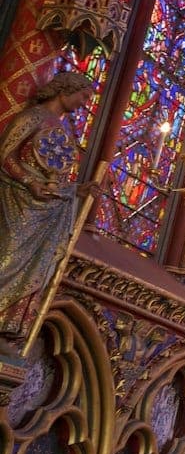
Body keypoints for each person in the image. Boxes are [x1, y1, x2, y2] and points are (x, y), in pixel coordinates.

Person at [0, 72, 97, 346]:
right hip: (18, 200)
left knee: (36, 266)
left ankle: (9, 326)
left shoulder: (63, 129)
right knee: (7, 255)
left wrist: (78, 190)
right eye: (82, 96)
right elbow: (4, 153)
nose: (83, 103)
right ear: (64, 90)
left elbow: (54, 176)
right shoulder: (34, 117)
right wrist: (29, 182)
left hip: (47, 208)